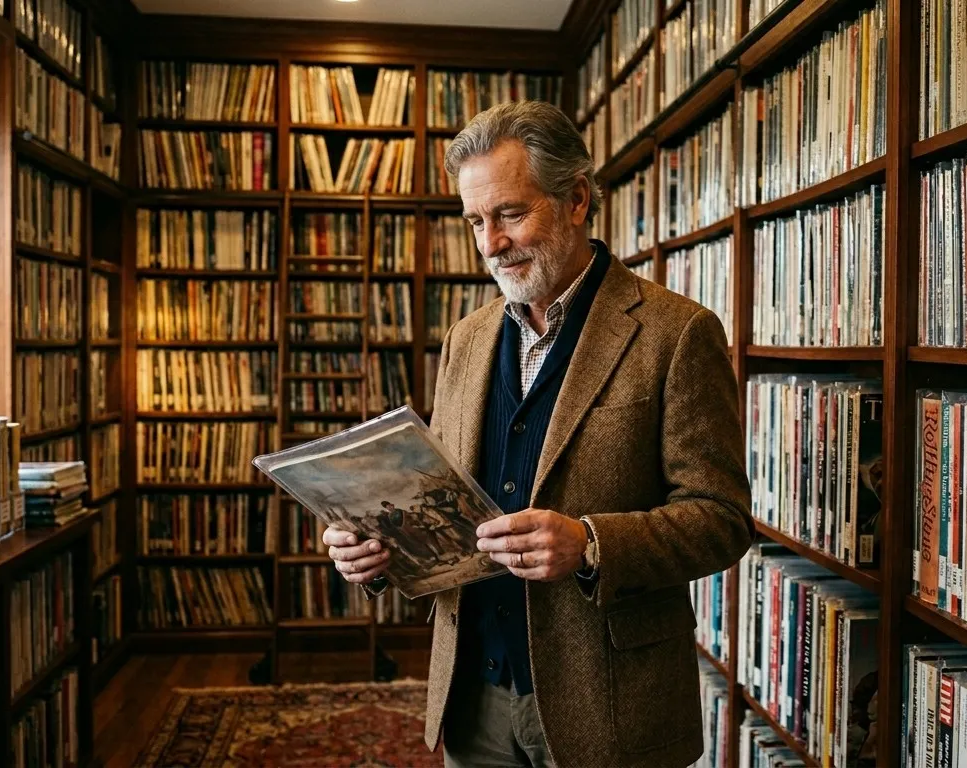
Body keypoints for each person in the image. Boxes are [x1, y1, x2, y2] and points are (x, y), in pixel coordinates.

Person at [322, 100, 752, 768]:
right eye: (475, 222)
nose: (491, 243)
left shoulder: (678, 333)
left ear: (576, 199)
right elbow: (437, 506)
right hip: (472, 698)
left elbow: (723, 520)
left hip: (609, 703)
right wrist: (377, 551)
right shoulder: (465, 339)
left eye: (510, 214)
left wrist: (590, 544)